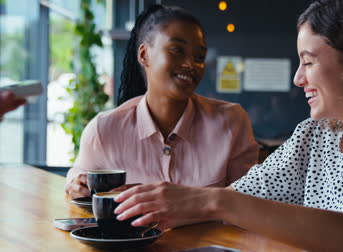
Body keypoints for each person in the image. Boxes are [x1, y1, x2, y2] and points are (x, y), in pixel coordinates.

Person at [112, 0, 343, 252]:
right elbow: (238, 198)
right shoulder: (315, 136)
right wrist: (133, 202)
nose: (298, 78)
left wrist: (215, 200)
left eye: (308, 62)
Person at [65, 5, 259, 199]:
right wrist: (76, 183)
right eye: (177, 50)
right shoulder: (104, 129)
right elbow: (78, 183)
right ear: (144, 55)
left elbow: (246, 205)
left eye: (199, 57)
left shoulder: (231, 122)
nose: (190, 64)